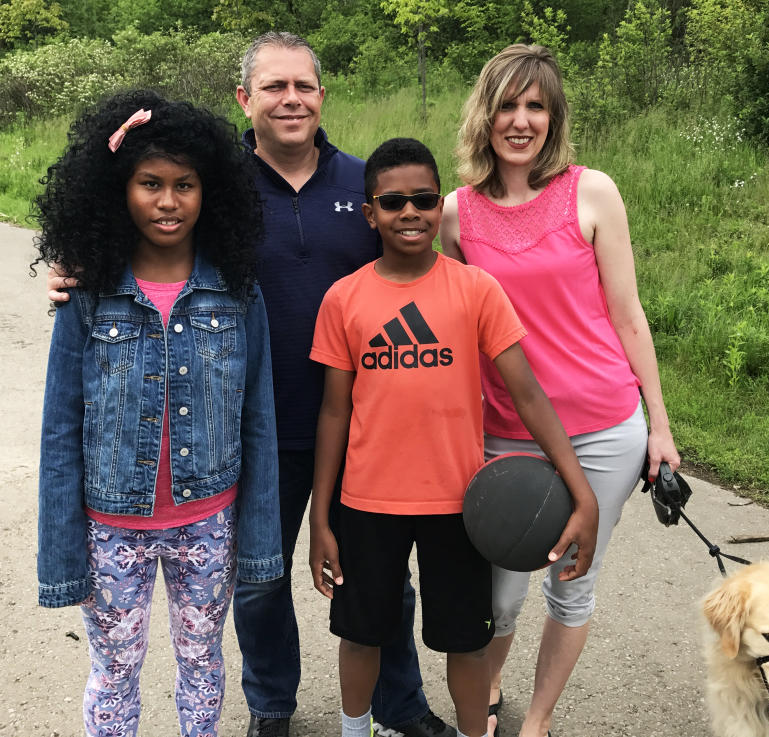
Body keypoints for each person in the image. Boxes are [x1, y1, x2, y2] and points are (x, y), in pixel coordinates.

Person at [49, 32, 455, 737]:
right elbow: (138, 229)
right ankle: (271, 704)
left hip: (358, 427)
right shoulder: (216, 180)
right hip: (242, 434)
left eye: (303, 85)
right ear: (245, 98)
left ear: (323, 96)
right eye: (273, 86)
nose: (290, 99)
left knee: (383, 576)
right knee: (259, 586)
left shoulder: (365, 187)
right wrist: (75, 264)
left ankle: (399, 702)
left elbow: (425, 271)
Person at [307, 138, 600, 737]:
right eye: (392, 201)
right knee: (361, 634)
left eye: (422, 199)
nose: (409, 212)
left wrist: (582, 492)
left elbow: (528, 396)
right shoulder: (345, 298)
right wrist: (321, 518)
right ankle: (352, 728)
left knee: (465, 644)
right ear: (370, 213)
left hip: (460, 507)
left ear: (440, 206)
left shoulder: (475, 290)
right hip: (367, 503)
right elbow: (334, 413)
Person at [438, 44, 683, 737]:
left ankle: (536, 721)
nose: (521, 120)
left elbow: (628, 314)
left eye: (536, 106)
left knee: (573, 583)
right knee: (501, 592)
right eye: (508, 105)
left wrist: (658, 426)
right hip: (507, 432)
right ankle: (482, 699)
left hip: (605, 424)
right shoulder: (455, 215)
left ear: (554, 116)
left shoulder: (593, 191)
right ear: (486, 115)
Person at [34, 89, 283, 737]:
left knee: (203, 661)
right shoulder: (87, 293)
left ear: (211, 192)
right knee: (115, 669)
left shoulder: (236, 292)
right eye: (149, 183)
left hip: (208, 521)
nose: (168, 201)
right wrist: (62, 554)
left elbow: (258, 421)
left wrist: (259, 540)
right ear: (119, 186)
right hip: (112, 526)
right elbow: (60, 428)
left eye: (184, 184)